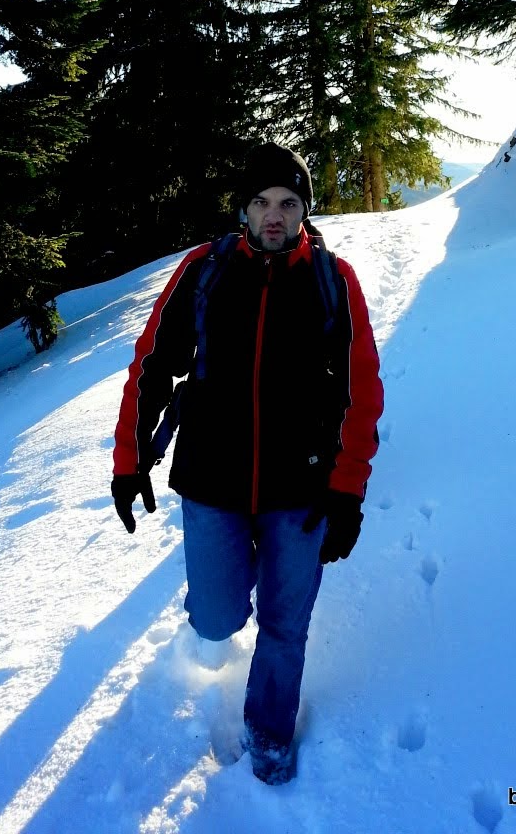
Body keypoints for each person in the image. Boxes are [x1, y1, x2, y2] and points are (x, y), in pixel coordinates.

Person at [111, 142, 384, 784]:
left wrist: (347, 490)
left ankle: (269, 732)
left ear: (304, 210)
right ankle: (244, 578)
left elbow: (362, 388)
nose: (273, 216)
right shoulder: (204, 270)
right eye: (261, 202)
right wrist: (130, 460)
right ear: (242, 208)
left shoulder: (332, 279)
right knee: (216, 616)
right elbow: (152, 365)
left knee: (285, 625)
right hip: (213, 481)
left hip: (302, 486)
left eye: (288, 203)